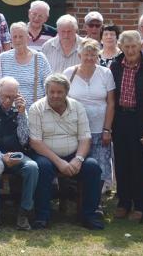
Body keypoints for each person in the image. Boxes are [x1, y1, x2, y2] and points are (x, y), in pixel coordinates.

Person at [28, 73, 104, 230]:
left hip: (74, 155)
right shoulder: (36, 108)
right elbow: (35, 141)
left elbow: (85, 138)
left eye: (59, 92)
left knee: (93, 167)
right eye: (52, 92)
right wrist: (59, 162)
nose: (55, 96)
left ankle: (89, 215)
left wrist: (79, 159)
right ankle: (42, 216)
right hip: (47, 155)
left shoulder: (77, 107)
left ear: (66, 92)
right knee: (42, 167)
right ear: (46, 92)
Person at [108, 30, 143, 222]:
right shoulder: (115, 65)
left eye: (134, 46)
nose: (130, 50)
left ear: (141, 46)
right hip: (120, 118)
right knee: (121, 162)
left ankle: (140, 206)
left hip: (141, 119)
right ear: (121, 47)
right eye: (126, 47)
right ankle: (123, 203)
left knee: (139, 163)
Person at [0, 76, 36, 232]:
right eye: (5, 95)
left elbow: (24, 140)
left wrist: (22, 114)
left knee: (32, 167)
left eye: (12, 96)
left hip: (16, 153)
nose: (8, 100)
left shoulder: (19, 110)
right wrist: (1, 156)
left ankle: (24, 212)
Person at [63, 39, 116, 198]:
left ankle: (96, 200)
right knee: (79, 162)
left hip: (99, 129)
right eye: (86, 54)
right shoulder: (69, 73)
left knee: (100, 165)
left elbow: (111, 102)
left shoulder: (105, 73)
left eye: (93, 54)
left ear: (98, 56)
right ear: (79, 54)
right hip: (75, 129)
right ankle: (79, 197)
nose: (89, 58)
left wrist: (107, 129)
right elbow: (62, 100)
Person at [0, 22, 52, 106]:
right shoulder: (3, 58)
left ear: (28, 38)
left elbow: (49, 85)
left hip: (34, 111)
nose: (17, 40)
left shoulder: (39, 58)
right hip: (8, 113)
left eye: (21, 36)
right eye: (14, 36)